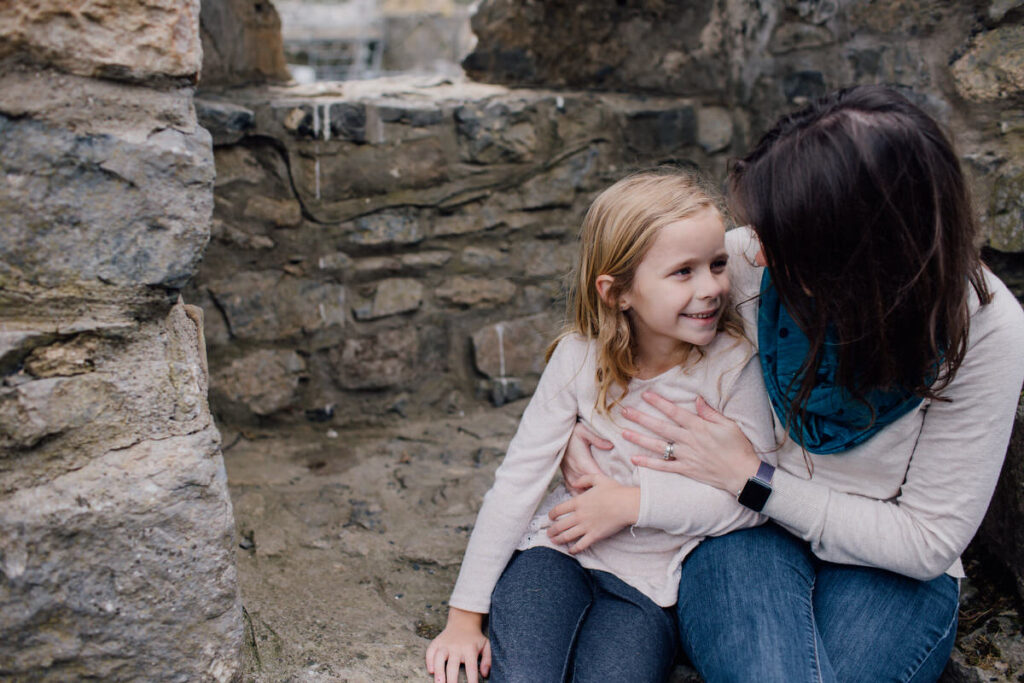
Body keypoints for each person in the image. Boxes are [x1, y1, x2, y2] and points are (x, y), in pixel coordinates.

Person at [557, 85, 1024, 682]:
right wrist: (575, 423)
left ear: (859, 251)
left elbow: (926, 540)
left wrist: (755, 480)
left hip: (891, 569)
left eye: (786, 239)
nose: (758, 250)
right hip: (741, 539)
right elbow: (618, 316)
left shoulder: (982, 327)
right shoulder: (748, 258)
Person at [425, 169, 775, 683]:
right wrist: (464, 616)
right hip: (555, 553)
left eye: (718, 264)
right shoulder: (577, 358)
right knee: (523, 675)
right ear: (617, 293)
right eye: (684, 272)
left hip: (648, 586)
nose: (712, 287)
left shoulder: (733, 366)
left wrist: (633, 504)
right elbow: (518, 481)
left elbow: (755, 498)